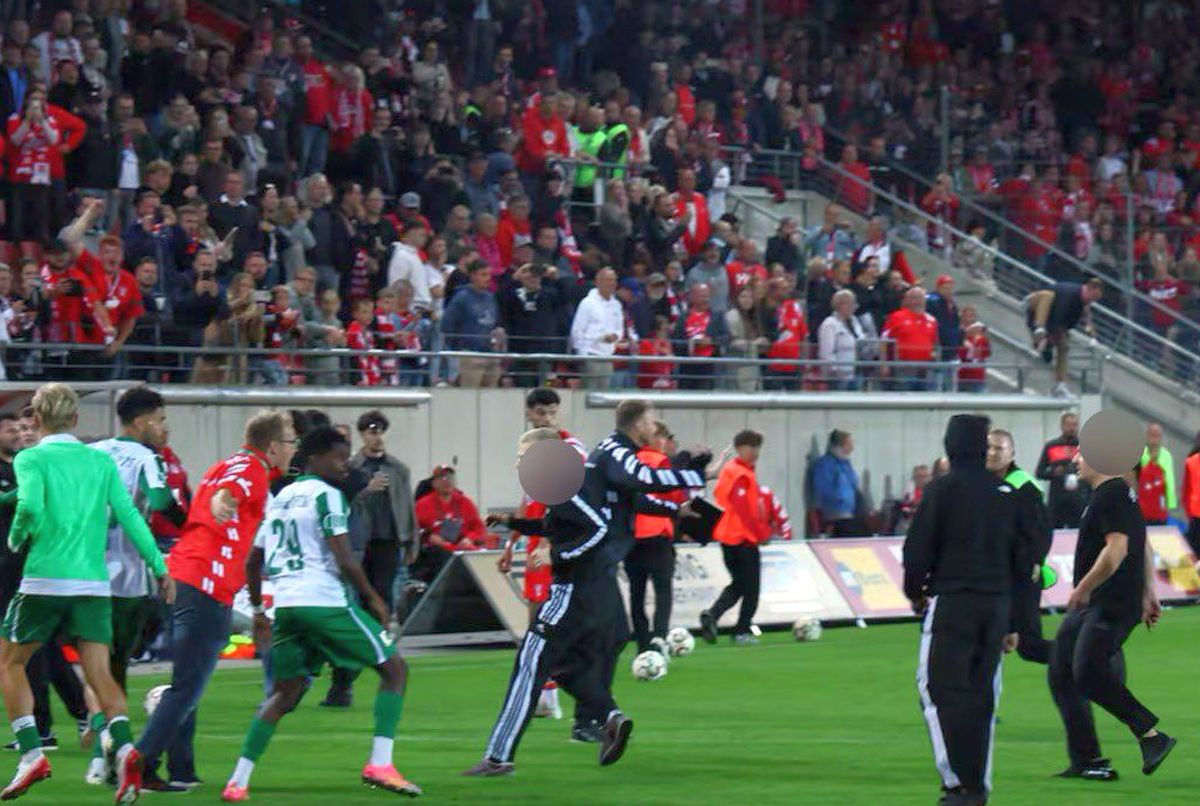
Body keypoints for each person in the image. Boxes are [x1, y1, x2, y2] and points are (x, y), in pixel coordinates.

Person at [221, 427, 420, 802]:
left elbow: (252, 561)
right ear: (314, 458)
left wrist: (260, 610)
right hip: (323, 602)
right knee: (395, 670)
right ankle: (380, 764)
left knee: (285, 694)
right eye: (339, 457)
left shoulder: (280, 497)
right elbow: (344, 558)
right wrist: (374, 599)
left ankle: (237, 781)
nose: (345, 465)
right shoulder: (327, 496)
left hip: (287, 607)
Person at [0, 383, 172, 803]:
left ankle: (31, 754)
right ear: (75, 419)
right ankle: (126, 750)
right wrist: (160, 567)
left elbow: (30, 506)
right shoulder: (98, 461)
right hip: (94, 585)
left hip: (45, 580)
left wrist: (17, 536)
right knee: (100, 673)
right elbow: (129, 515)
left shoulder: (30, 458)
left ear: (36, 419)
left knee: (9, 662)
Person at [135, 411, 296, 790]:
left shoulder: (228, 463)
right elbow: (232, 489)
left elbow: (226, 487)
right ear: (273, 446)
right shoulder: (252, 469)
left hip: (182, 577)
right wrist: (224, 500)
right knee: (186, 687)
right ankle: (138, 763)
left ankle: (180, 770)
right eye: (291, 441)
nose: (294, 449)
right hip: (205, 584)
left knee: (186, 682)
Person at [903, 414, 1021, 806]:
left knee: (938, 690)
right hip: (997, 605)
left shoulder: (942, 490)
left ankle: (958, 783)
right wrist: (1014, 618)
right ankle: (978, 785)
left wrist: (915, 593)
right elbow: (1022, 559)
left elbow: (916, 550)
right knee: (981, 696)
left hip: (954, 602)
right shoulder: (1006, 492)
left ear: (951, 444)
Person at [1048, 451, 1174, 781]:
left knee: (1087, 673)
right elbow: (1142, 542)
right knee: (1061, 671)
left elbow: (1117, 549)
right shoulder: (1119, 494)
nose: (1076, 459)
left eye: (1082, 453)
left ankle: (1150, 735)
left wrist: (1083, 588)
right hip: (1103, 601)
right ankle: (1087, 759)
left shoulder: (1112, 494)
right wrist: (1149, 590)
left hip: (1110, 601)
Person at [86, 387, 185, 788]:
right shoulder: (147, 458)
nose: (164, 429)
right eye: (160, 420)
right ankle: (109, 751)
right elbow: (161, 503)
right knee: (116, 668)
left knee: (96, 666)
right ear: (142, 421)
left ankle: (101, 757)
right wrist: (194, 526)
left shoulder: (93, 452)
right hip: (125, 576)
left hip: (83, 572)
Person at [320, 410, 419, 709]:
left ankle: (383, 671)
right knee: (352, 609)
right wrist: (366, 490)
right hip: (356, 545)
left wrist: (412, 540)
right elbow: (340, 503)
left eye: (380, 431)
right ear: (362, 435)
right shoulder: (350, 468)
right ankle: (343, 681)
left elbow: (407, 506)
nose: (376, 436)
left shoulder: (398, 469)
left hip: (388, 542)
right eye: (371, 431)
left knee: (382, 607)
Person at [987, 428, 1053, 665]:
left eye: (999, 448)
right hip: (993, 575)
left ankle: (1085, 657)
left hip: (1021, 575)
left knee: (1029, 644)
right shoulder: (980, 483)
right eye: (988, 447)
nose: (992, 453)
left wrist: (1033, 563)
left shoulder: (1024, 486)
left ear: (1011, 454)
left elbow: (1041, 532)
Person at [700, 430, 770, 645]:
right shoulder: (739, 473)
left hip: (728, 537)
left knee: (740, 584)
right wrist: (761, 533)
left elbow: (721, 497)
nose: (756, 452)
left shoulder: (734, 471)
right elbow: (744, 509)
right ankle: (741, 630)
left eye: (758, 447)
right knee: (752, 588)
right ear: (740, 448)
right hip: (741, 538)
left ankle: (713, 615)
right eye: (752, 447)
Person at [627, 421, 687, 654]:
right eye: (662, 437)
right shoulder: (660, 461)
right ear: (652, 439)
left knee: (637, 594)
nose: (665, 442)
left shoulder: (629, 461)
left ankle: (642, 645)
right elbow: (677, 496)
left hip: (632, 536)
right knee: (663, 592)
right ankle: (659, 641)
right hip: (657, 534)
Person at [1025, 278, 1104, 397]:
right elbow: (1058, 315)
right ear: (1088, 289)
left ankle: (1061, 384)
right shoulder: (1070, 294)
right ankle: (1040, 328)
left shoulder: (1082, 303)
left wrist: (1092, 337)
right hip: (1037, 309)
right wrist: (1045, 334)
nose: (1092, 301)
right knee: (1047, 295)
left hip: (1054, 320)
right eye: (1093, 298)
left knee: (1063, 347)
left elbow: (1080, 322)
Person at [1036, 413, 1090, 529]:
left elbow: (1094, 472)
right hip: (1057, 501)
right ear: (1062, 426)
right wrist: (1053, 473)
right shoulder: (1051, 446)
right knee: (1054, 533)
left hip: (1079, 500)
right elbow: (1039, 473)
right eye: (1069, 425)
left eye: (1075, 425)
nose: (1072, 428)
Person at [810, 430, 864, 536]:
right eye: (849, 443)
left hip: (849, 514)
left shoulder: (846, 464)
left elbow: (853, 483)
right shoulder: (825, 464)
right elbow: (823, 488)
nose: (852, 447)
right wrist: (839, 499)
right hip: (835, 515)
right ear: (840, 445)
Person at [1137, 422, 1175, 526]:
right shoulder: (1140, 454)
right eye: (1152, 435)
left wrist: (1171, 503)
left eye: (1157, 435)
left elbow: (1170, 481)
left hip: (1159, 508)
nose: (1154, 439)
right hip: (1141, 507)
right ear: (1147, 436)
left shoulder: (1166, 456)